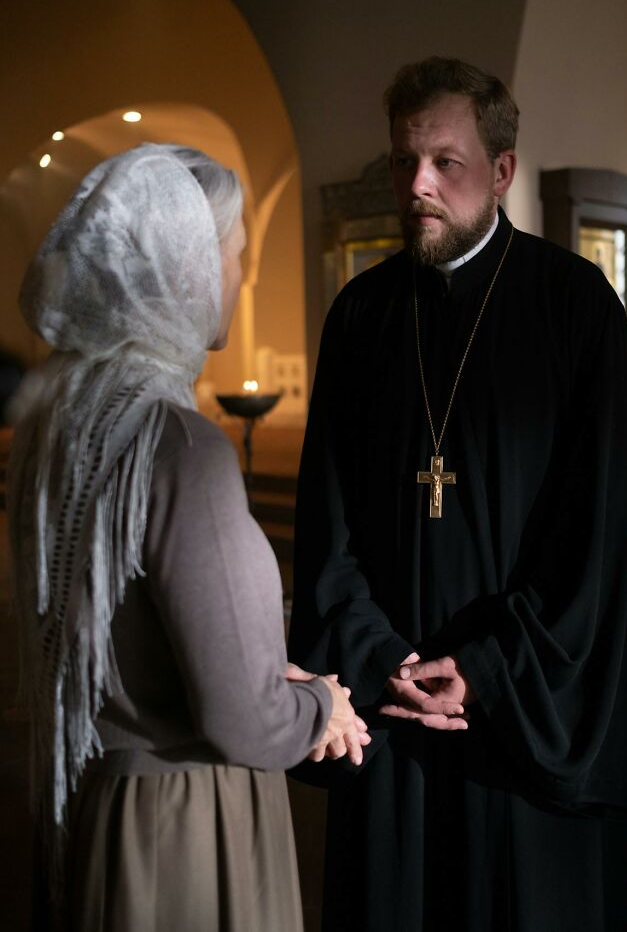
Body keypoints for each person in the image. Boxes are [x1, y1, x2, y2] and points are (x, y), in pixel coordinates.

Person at [288, 57, 627, 932]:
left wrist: (489, 670)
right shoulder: (361, 317)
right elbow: (326, 528)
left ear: (501, 170)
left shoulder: (576, 308)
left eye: (444, 162)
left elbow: (599, 542)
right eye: (403, 160)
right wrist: (380, 656)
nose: (417, 184)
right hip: (390, 710)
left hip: (522, 717)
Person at [8, 143, 368, 932]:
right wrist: (320, 704)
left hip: (93, 798)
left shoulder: (59, 426)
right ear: (185, 268)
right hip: (180, 821)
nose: (240, 275)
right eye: (234, 253)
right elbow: (244, 719)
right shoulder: (178, 444)